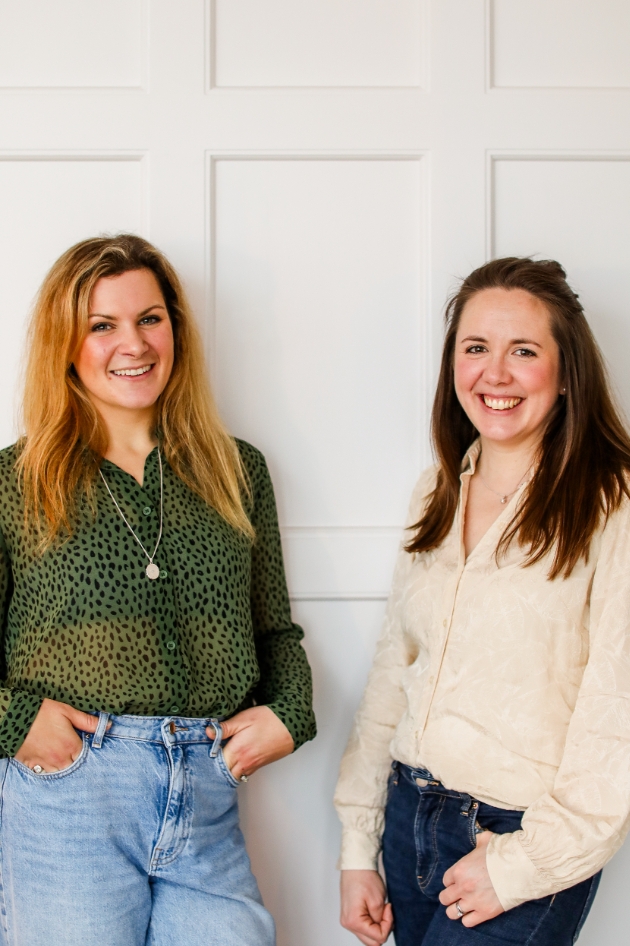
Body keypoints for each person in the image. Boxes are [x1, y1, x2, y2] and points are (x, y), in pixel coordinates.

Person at [0, 234, 316, 946]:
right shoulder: (14, 483)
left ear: (176, 327)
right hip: (71, 799)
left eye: (150, 318)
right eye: (101, 325)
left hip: (205, 790)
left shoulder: (237, 470)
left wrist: (291, 713)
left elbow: (275, 630)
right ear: (65, 344)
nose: (133, 344)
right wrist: (18, 724)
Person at [334, 257, 630, 946]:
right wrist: (358, 845)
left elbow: (618, 714)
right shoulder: (439, 489)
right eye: (476, 349)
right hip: (409, 823)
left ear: (565, 374)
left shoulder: (612, 504)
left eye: (523, 351)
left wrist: (524, 866)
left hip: (520, 839)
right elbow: (392, 673)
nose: (494, 374)